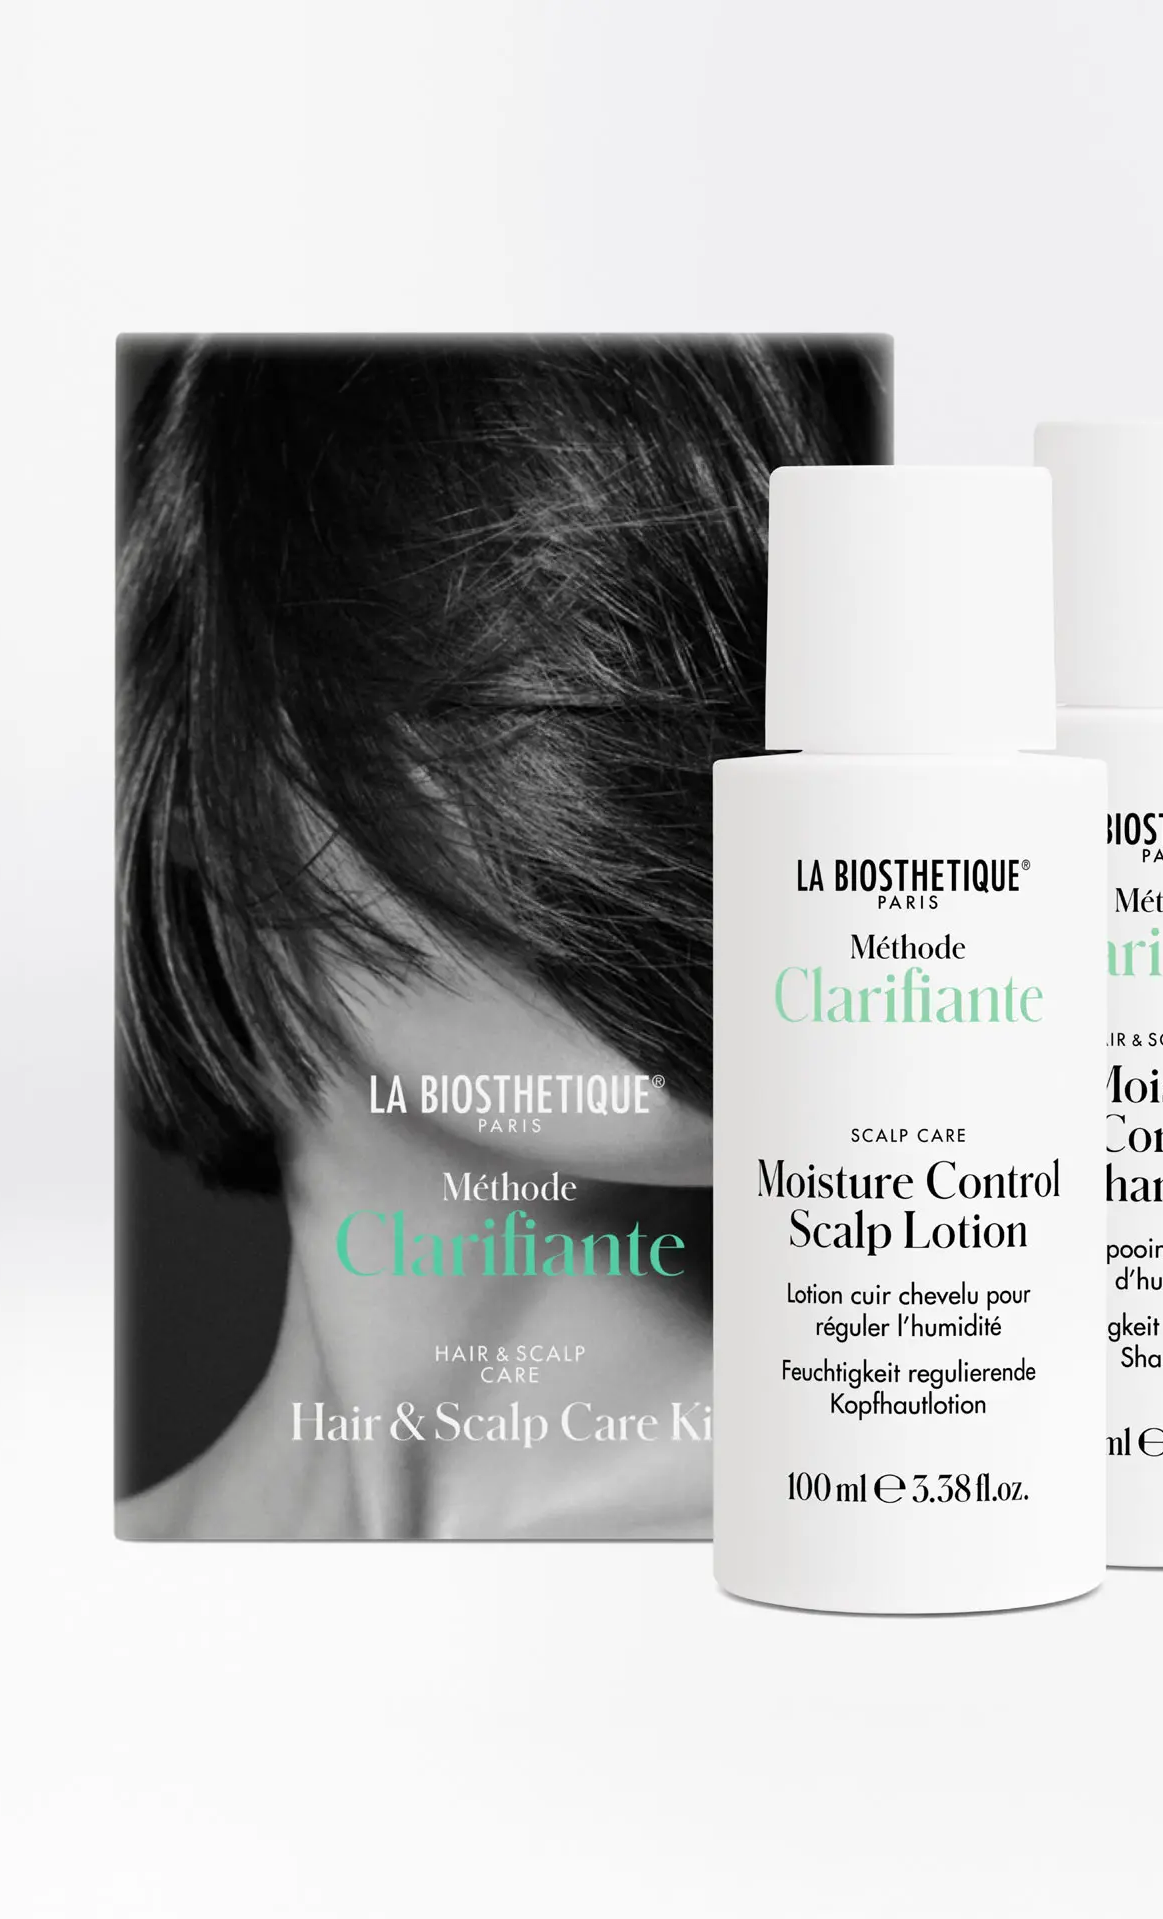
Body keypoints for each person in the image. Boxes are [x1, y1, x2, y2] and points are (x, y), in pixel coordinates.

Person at [115, 336, 887, 1537]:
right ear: (202, 779)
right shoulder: (24, 1598)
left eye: (762, 660)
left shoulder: (900, 1540)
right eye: (503, 644)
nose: (718, 785)